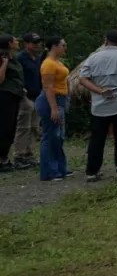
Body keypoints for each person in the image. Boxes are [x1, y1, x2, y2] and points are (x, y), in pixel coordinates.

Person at [78, 29, 117, 182]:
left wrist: (100, 91)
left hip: (99, 106)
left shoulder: (93, 58)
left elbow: (82, 79)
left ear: (105, 41)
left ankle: (92, 172)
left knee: (97, 139)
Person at [35, 36, 71, 181]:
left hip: (60, 99)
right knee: (50, 136)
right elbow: (48, 87)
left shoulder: (57, 62)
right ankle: (48, 171)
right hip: (51, 100)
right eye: (63, 45)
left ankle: (59, 168)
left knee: (58, 136)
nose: (65, 47)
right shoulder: (48, 64)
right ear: (54, 46)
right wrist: (54, 108)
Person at [14, 32, 43, 168]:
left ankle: (29, 154)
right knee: (23, 127)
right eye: (34, 42)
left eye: (38, 42)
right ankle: (19, 155)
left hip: (37, 96)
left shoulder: (37, 58)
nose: (37, 45)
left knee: (34, 127)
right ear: (25, 44)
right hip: (24, 97)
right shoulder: (20, 58)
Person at [0, 35, 27, 173]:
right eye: (15, 40)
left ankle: (4, 158)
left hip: (14, 95)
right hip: (4, 96)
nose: (17, 42)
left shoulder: (13, 58)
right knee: (4, 128)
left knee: (11, 128)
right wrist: (4, 64)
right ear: (9, 43)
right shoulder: (2, 57)